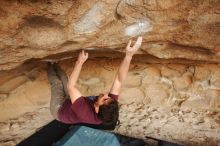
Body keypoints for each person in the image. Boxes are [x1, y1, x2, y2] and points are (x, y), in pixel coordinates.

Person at [47, 36, 142, 130]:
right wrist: (129, 56)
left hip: (60, 110)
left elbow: (71, 86)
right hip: (71, 103)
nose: (106, 95)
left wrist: (79, 62)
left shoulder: (85, 113)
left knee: (57, 84)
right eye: (108, 97)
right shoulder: (109, 105)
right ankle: (55, 64)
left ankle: (49, 65)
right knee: (65, 78)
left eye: (104, 99)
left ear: (96, 109)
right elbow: (119, 80)